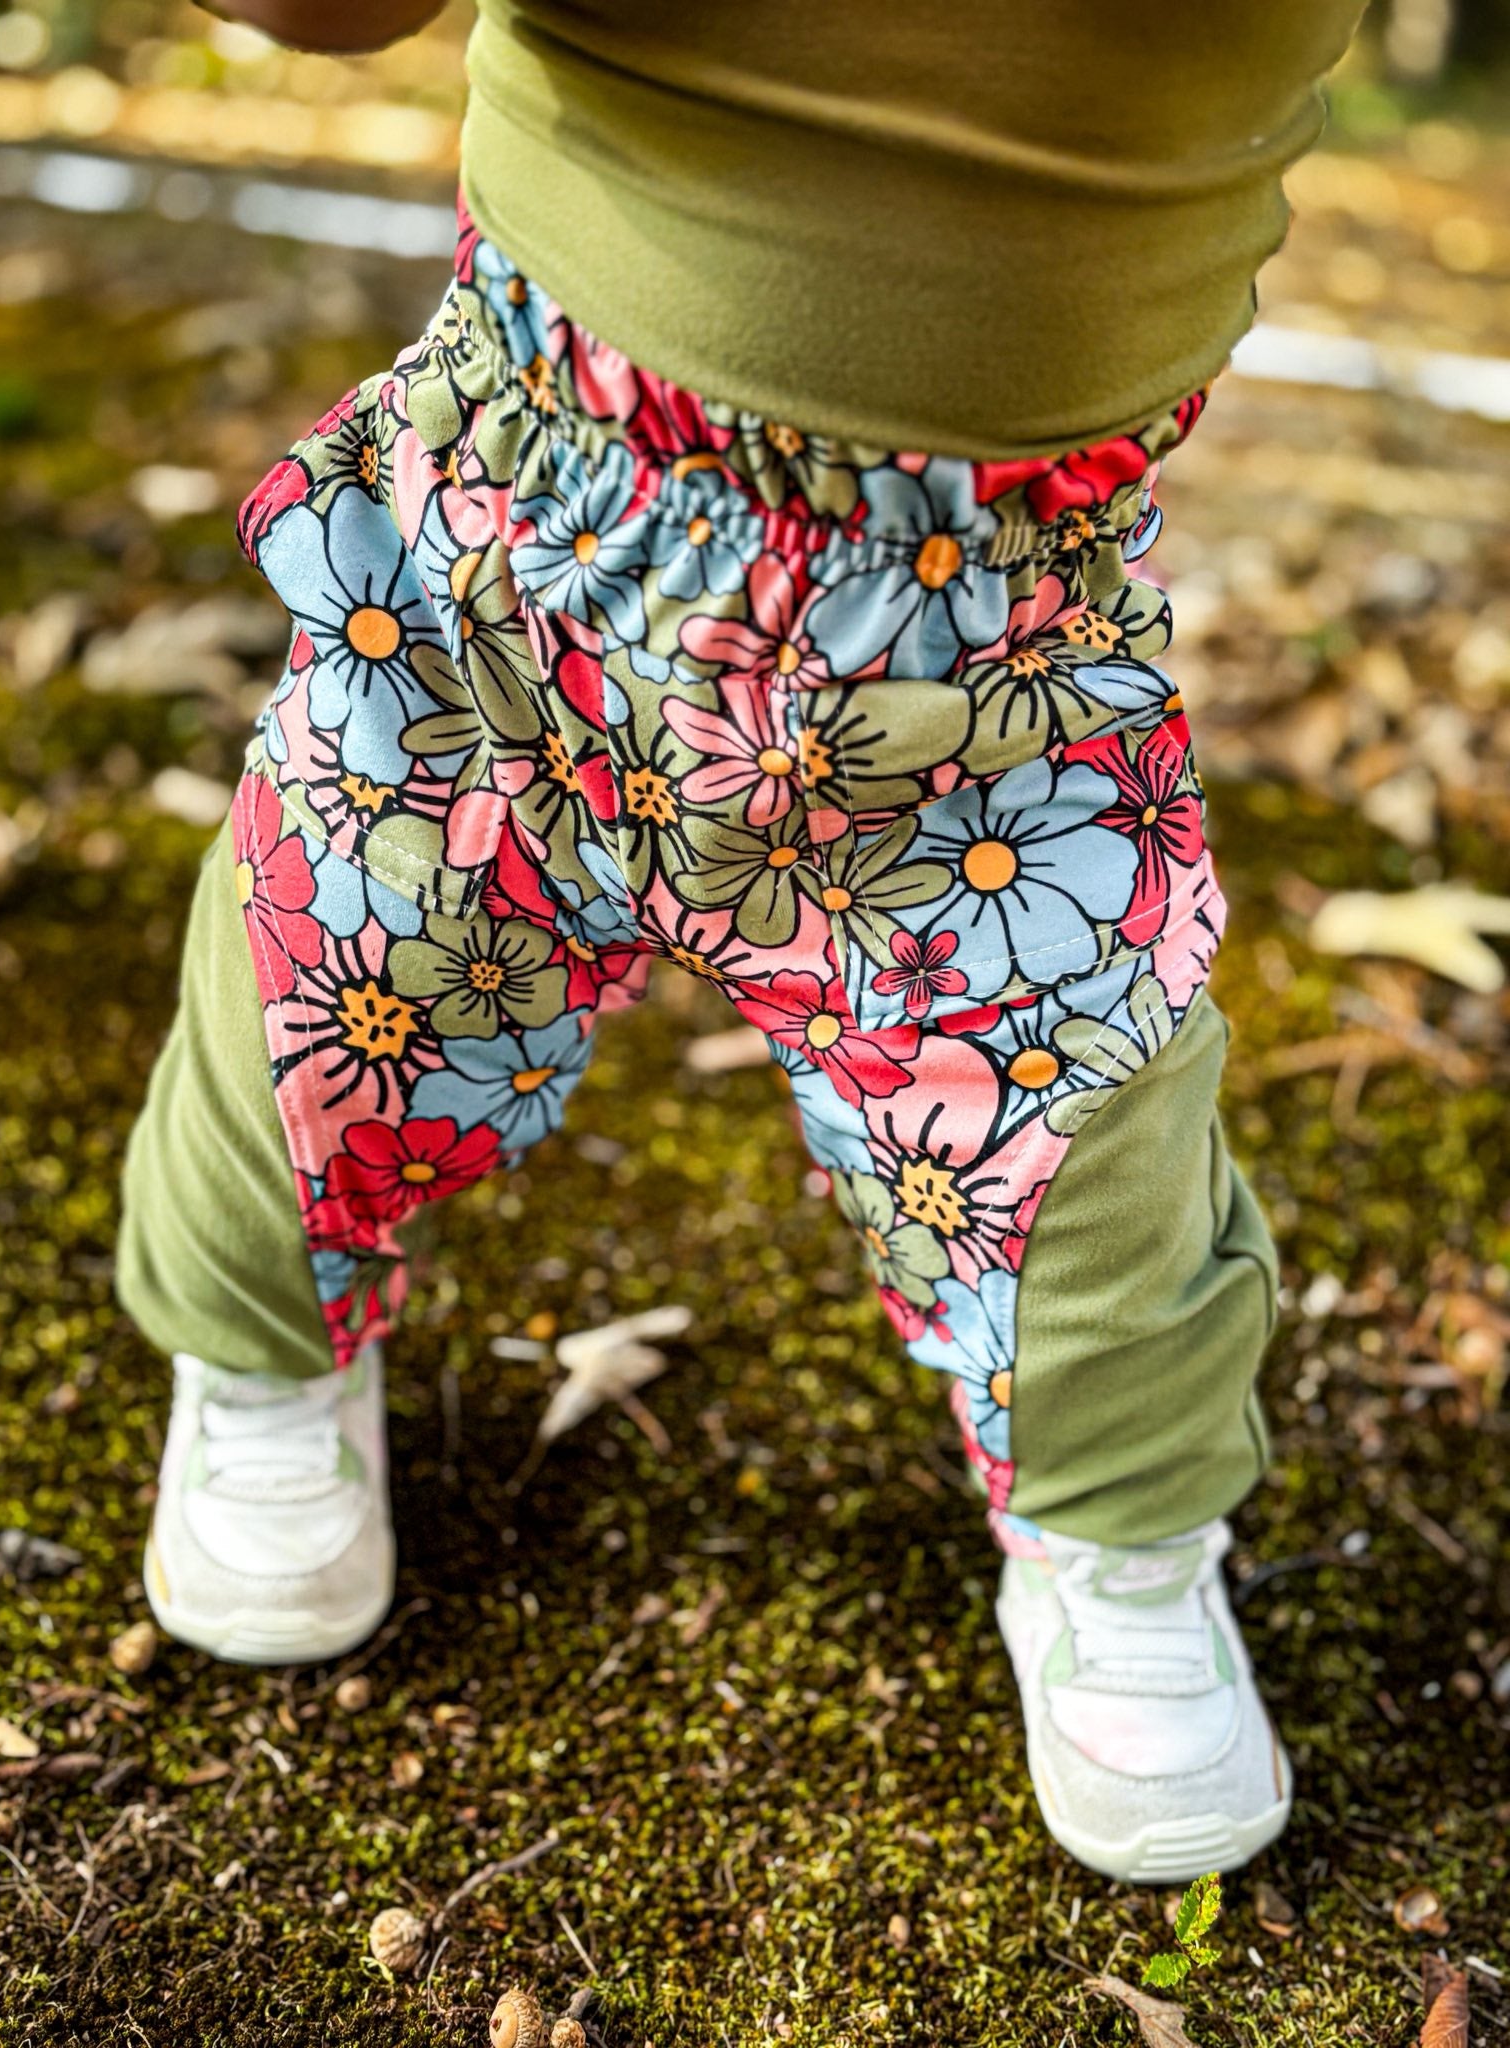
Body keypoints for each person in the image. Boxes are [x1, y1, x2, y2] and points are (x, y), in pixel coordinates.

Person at [118, 0, 1368, 1882]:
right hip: (525, 520)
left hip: (980, 652)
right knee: (338, 957)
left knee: (1082, 1129)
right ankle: (259, 1349)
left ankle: (1119, 1527)